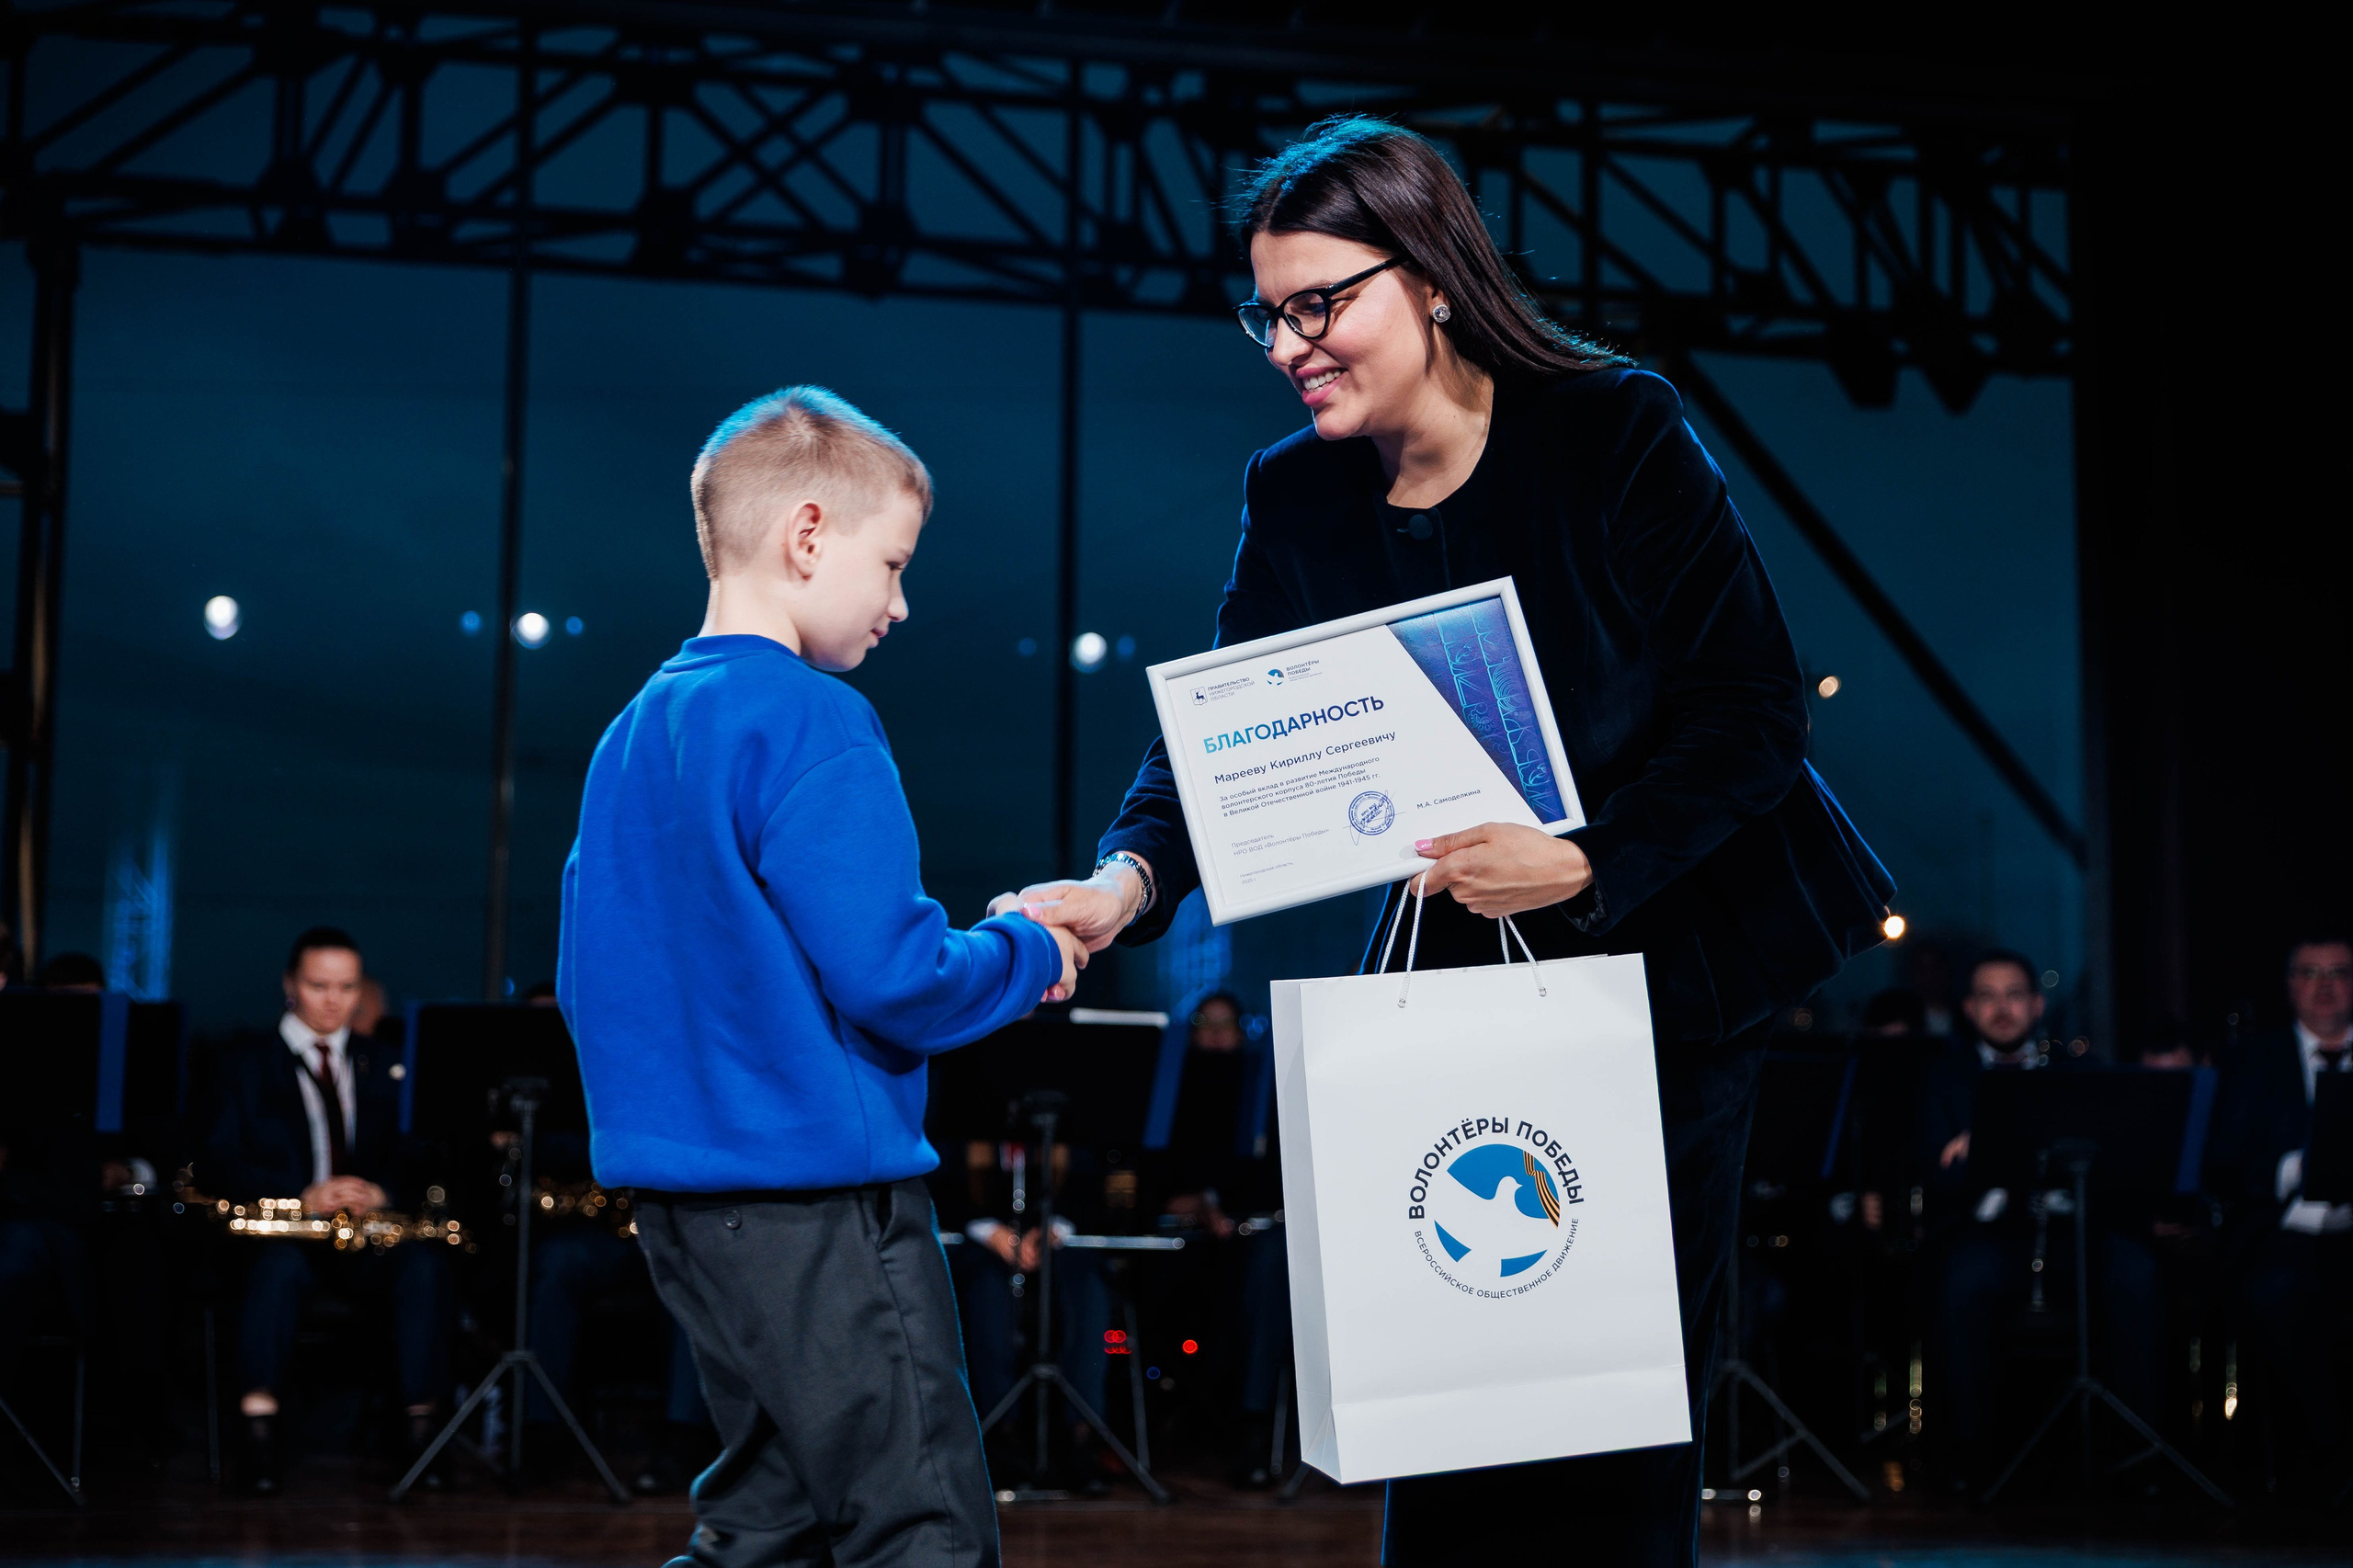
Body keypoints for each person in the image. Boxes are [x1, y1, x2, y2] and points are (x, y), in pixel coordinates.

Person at [995, 118, 1892, 1565]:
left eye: (1319, 303)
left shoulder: (1618, 428)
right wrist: (1126, 881)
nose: (1289, 344)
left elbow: (1752, 707)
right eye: (1267, 314)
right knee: (1455, 1394)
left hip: (1670, 970)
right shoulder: (1296, 494)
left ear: (1429, 278)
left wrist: (1586, 856)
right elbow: (1227, 742)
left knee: (1612, 1418)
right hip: (1464, 984)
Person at [560, 387, 1084, 1568]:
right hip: (818, 1204)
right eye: (890, 564)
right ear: (807, 535)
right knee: (925, 1528)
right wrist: (1031, 950)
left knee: (767, 1526)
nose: (900, 601)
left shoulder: (633, 731)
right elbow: (896, 978)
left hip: (687, 1213)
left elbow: (593, 979)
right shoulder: (812, 719)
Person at [198, 926, 452, 1494]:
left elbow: (418, 1158)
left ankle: (423, 1436)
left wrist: (381, 1192)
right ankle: (258, 1434)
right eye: (319, 985)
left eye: (347, 986)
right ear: (291, 986)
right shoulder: (240, 1064)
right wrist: (304, 1194)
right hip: (278, 1237)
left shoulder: (386, 1064)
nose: (334, 1000)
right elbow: (218, 1161)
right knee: (278, 1271)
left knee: (423, 1267)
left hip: (361, 1240)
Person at [1920, 949, 2158, 1488]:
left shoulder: (2079, 1073)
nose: (2001, 1008)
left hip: (2076, 1230)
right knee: (1963, 1278)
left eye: (2013, 995)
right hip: (1988, 1232)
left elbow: (2121, 1163)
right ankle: (1973, 1459)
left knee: (2135, 1271)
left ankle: (2137, 1452)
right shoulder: (1942, 1081)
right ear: (1967, 1008)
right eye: (1987, 996)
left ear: (2037, 1004)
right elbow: (1931, 1176)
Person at [2209, 934, 2353, 1491]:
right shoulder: (2252, 1062)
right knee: (2278, 1294)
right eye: (2310, 974)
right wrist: (2297, 1165)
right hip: (2282, 1231)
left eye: (2338, 972)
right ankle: (2327, 1455)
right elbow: (2221, 1161)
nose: (2324, 987)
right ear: (2291, 986)